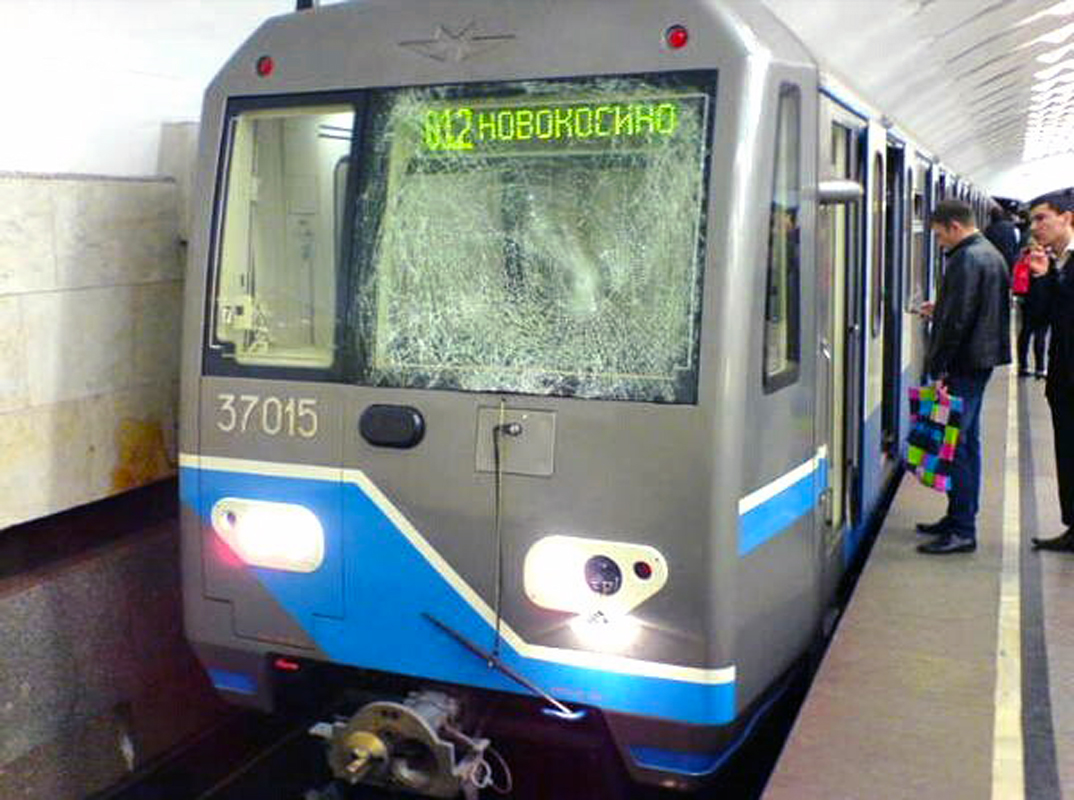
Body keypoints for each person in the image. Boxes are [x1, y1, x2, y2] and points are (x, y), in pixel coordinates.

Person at [915, 199, 1011, 554]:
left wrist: (939, 367)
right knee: (966, 443)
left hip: (964, 364)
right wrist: (941, 309)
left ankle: (962, 529)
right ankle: (959, 516)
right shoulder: (988, 253)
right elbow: (972, 308)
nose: (940, 243)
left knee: (954, 446)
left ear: (954, 227)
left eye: (940, 236)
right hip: (979, 361)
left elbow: (958, 323)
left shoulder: (966, 259)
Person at [1026, 191, 1074, 552]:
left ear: (1067, 218)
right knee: (1067, 456)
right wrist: (1042, 278)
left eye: (1041, 218)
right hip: (1063, 382)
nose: (1034, 227)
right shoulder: (1059, 262)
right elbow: (1041, 319)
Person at [1013, 239, 1049, 379]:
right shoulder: (1046, 260)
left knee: (1026, 334)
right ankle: (1039, 367)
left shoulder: (1023, 261)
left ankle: (1023, 366)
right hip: (1042, 303)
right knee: (1039, 335)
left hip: (1027, 302)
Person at [984, 202, 1021, 268]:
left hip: (994, 261)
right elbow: (1017, 242)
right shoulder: (1013, 227)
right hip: (1010, 259)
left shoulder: (988, 229)